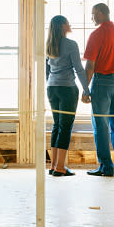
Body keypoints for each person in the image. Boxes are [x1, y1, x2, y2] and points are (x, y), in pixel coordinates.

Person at [82, 3, 114, 177]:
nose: (92, 18)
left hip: (102, 82)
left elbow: (90, 65)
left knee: (101, 125)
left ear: (100, 14)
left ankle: (105, 167)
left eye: (93, 15)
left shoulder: (96, 34)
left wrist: (85, 89)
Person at [46, 15, 91, 177]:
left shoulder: (49, 44)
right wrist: (86, 90)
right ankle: (60, 168)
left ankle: (53, 166)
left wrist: (50, 84)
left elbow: (47, 70)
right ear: (62, 26)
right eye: (67, 22)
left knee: (57, 125)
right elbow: (79, 69)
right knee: (65, 127)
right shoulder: (71, 44)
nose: (69, 24)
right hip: (67, 89)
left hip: (52, 88)